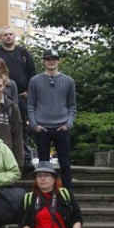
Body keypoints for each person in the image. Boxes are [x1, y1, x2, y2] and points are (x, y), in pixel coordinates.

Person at [0, 26, 36, 170]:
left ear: (14, 36)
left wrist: (29, 91)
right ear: (0, 38)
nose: (8, 37)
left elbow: (32, 72)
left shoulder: (23, 52)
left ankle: (25, 157)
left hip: (20, 97)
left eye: (11, 34)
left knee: (21, 127)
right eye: (5, 34)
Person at [28, 49, 77, 191]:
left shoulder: (68, 81)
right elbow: (31, 105)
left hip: (62, 127)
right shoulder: (35, 81)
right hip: (41, 128)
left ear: (58, 61)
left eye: (54, 59)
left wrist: (68, 124)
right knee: (43, 164)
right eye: (48, 58)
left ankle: (68, 194)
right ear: (43, 61)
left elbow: (72, 106)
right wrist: (34, 125)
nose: (51, 61)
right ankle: (43, 192)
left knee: (65, 163)